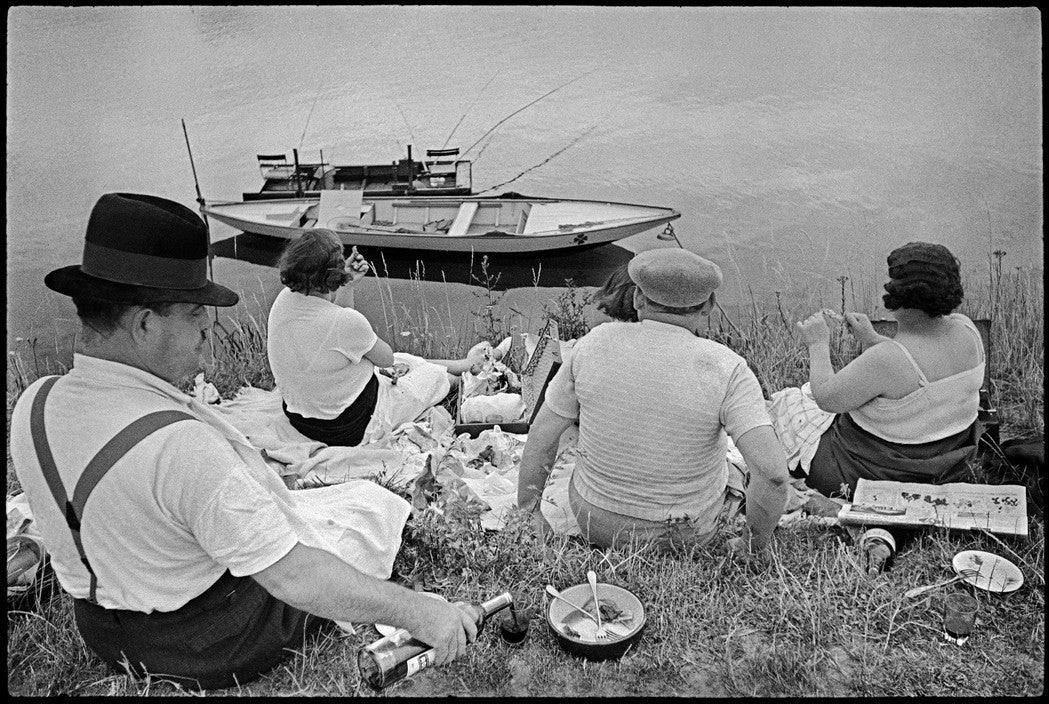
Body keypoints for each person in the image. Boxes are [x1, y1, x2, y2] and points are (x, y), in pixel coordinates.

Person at [9, 194, 478, 689]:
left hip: (103, 631)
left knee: (331, 505)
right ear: (145, 324)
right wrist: (422, 613)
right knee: (366, 510)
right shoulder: (181, 447)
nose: (208, 331)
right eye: (195, 313)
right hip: (205, 641)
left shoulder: (34, 404)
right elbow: (294, 578)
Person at [517, 248, 790, 554]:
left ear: (637, 299)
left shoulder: (592, 343)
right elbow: (774, 475)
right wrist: (754, 543)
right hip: (685, 534)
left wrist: (529, 511)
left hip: (594, 520)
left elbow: (541, 436)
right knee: (735, 470)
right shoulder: (728, 367)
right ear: (709, 305)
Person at [796, 242, 984, 499]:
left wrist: (817, 344)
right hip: (947, 459)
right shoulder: (967, 330)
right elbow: (915, 367)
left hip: (879, 470)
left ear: (898, 292)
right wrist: (871, 338)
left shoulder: (887, 359)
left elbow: (827, 398)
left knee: (792, 405)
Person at [266, 229, 482, 447]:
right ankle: (463, 375)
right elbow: (386, 359)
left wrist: (347, 284)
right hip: (350, 426)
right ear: (333, 274)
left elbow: (338, 331)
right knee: (425, 374)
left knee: (403, 359)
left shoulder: (284, 301)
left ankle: (464, 364)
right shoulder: (346, 322)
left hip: (303, 419)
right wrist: (344, 281)